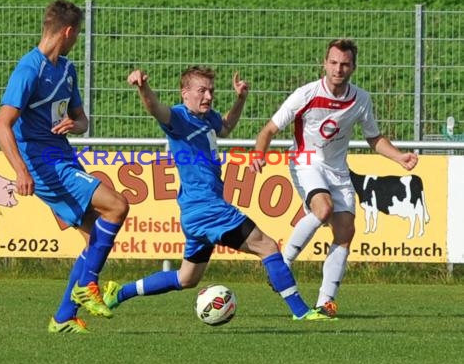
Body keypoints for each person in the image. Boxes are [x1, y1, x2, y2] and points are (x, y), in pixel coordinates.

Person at [101, 66, 333, 321]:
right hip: (208, 209)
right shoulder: (179, 118)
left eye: (211, 91)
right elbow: (156, 109)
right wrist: (143, 87)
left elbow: (225, 128)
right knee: (267, 247)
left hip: (195, 213)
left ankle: (118, 293)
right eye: (201, 91)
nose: (208, 97)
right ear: (185, 94)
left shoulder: (207, 117)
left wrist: (240, 99)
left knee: (186, 278)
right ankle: (301, 312)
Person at [250, 38, 418, 317]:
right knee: (323, 208)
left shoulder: (361, 99)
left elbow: (373, 138)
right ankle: (283, 263)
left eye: (345, 64)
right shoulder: (306, 94)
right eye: (334, 62)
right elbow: (268, 129)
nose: (338, 68)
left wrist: (399, 157)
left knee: (345, 233)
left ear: (353, 67)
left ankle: (325, 302)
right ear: (324, 63)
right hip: (305, 161)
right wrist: (258, 154)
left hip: (338, 169)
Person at [0, 0, 129, 334]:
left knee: (93, 238)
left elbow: (82, 120)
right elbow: (2, 125)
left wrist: (74, 124)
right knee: (118, 206)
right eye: (77, 33)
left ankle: (64, 317)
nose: (77, 38)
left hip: (63, 155)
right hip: (43, 164)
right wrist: (21, 171)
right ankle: (89, 286)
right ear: (68, 32)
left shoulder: (66, 70)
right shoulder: (29, 70)